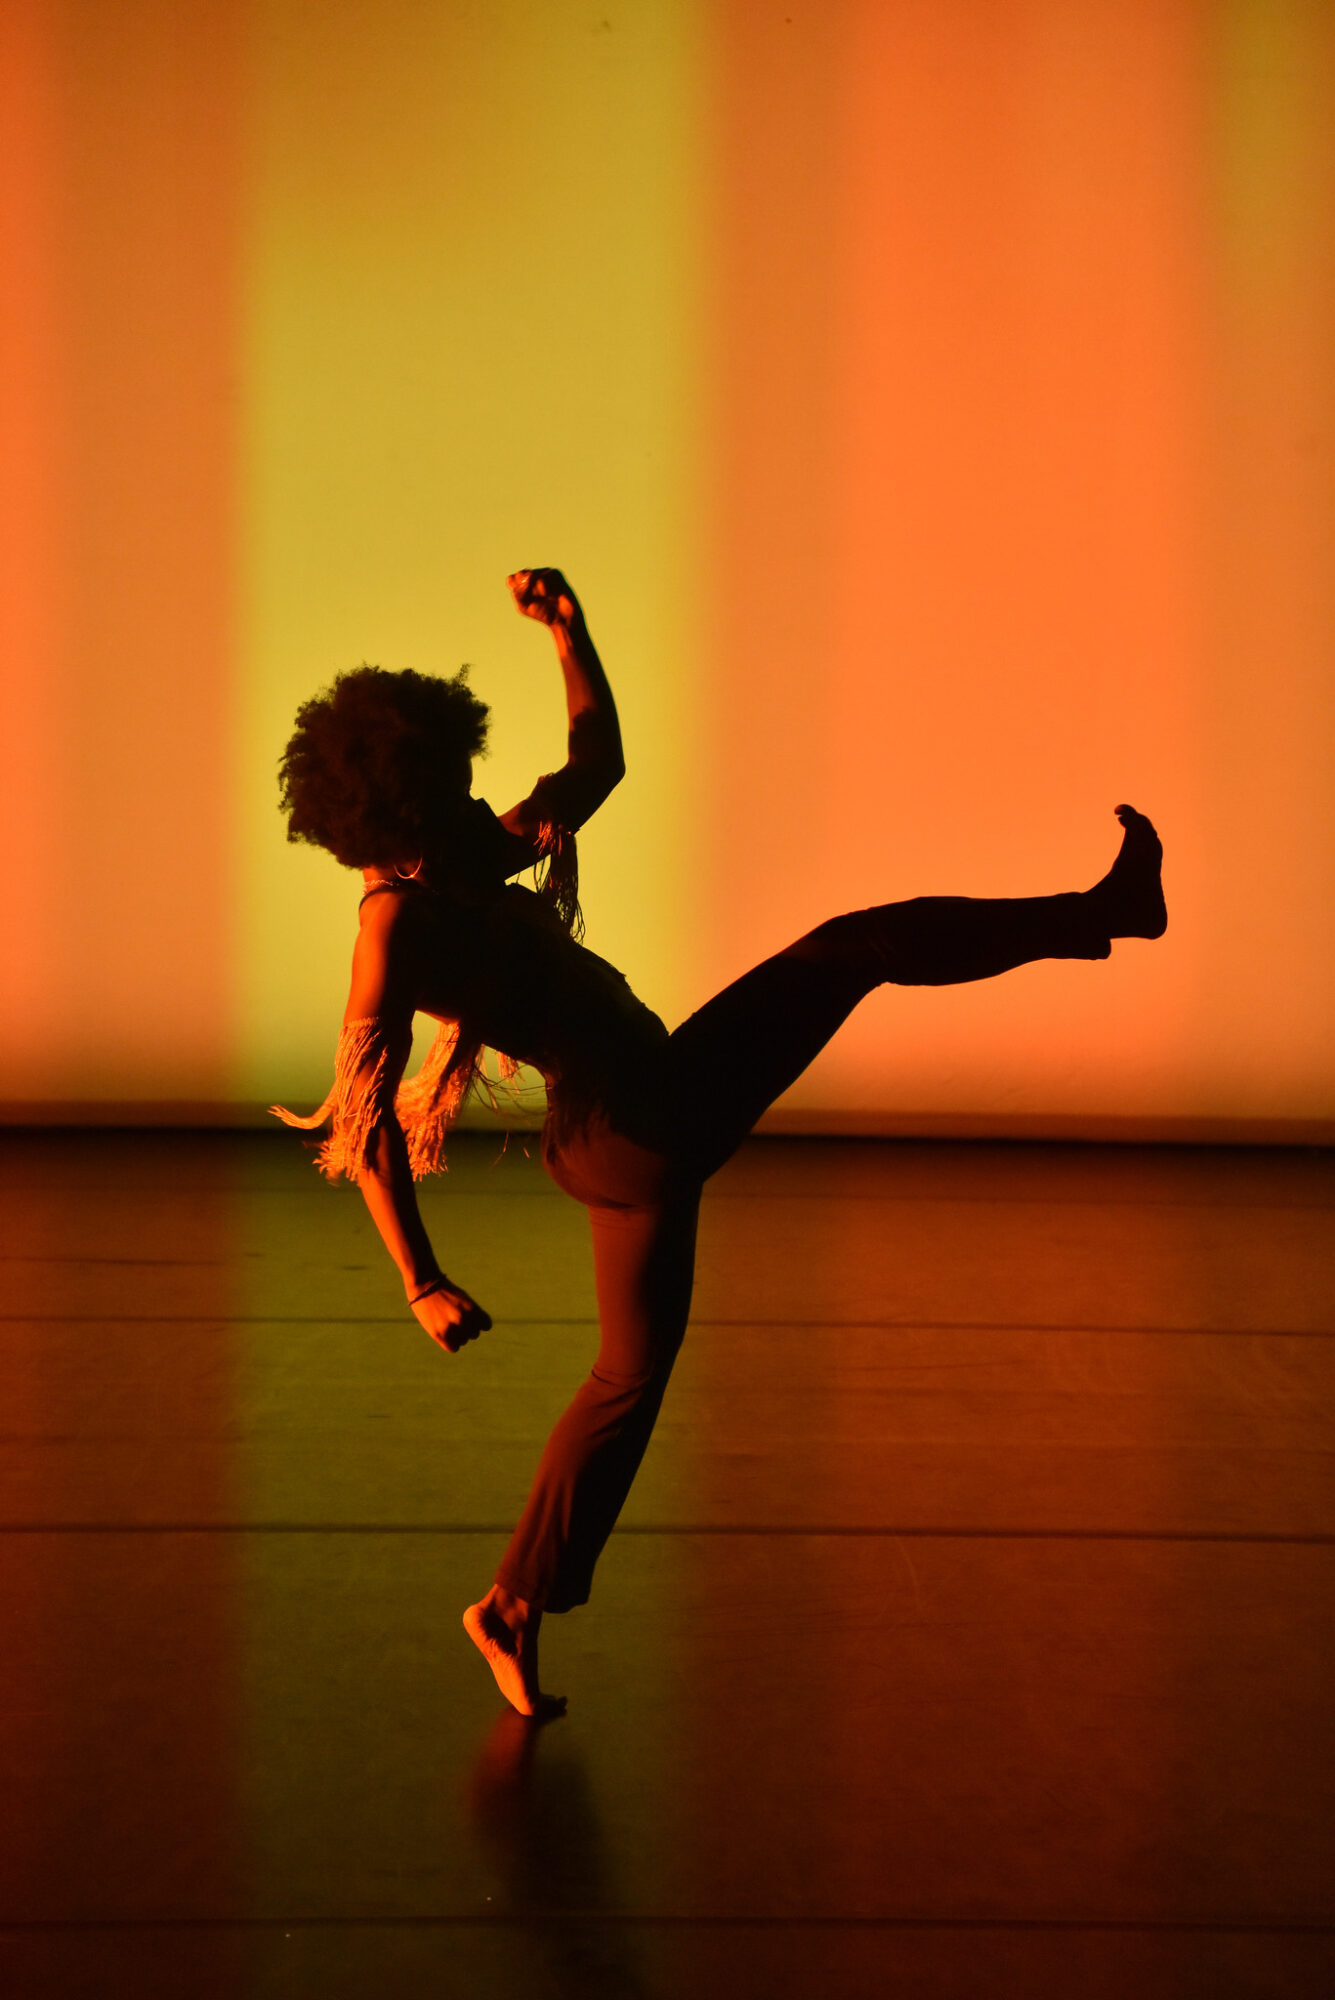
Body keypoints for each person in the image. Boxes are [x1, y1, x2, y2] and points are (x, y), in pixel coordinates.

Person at [273, 568, 1166, 1719]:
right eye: (448, 785)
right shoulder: (393, 919)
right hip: (644, 1114)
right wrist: (422, 1278)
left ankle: (509, 1604)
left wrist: (569, 633)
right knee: (853, 945)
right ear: (397, 807)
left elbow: (596, 765)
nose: (474, 797)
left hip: (620, 1133)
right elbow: (363, 1116)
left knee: (626, 1378)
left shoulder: (462, 860)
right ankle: (1104, 912)